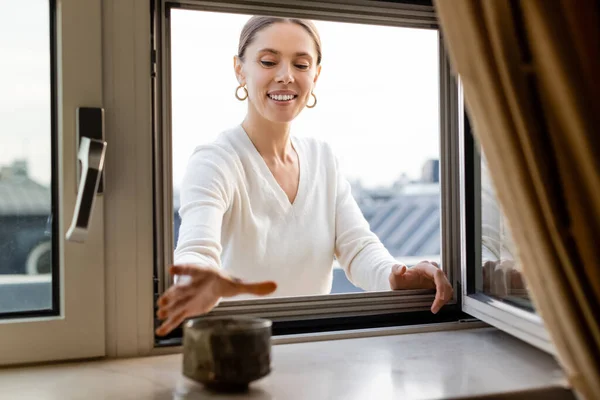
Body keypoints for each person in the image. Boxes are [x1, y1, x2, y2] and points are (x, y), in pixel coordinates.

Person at [155, 16, 453, 336]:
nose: (286, 76)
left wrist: (398, 275)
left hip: (314, 348)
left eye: (301, 64)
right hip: (237, 356)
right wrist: (199, 280)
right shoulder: (215, 161)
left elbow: (359, 248)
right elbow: (196, 250)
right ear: (239, 70)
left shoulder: (323, 159)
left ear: (316, 75)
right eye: (269, 61)